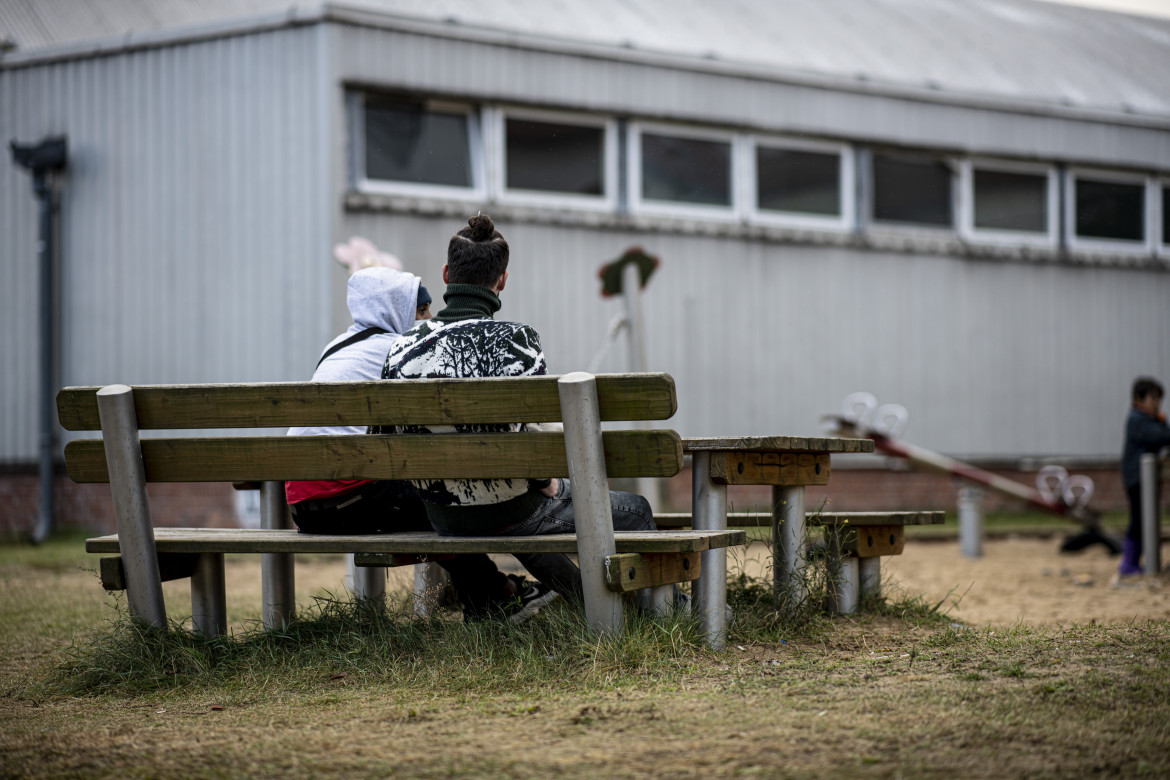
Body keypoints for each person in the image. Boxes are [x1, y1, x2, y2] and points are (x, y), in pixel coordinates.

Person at [374, 214, 656, 605]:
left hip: (440, 515)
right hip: (510, 509)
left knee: (528, 507)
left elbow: (383, 438)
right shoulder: (518, 340)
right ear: (502, 279)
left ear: (445, 274)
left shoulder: (403, 346)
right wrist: (546, 482)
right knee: (637, 511)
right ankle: (659, 610)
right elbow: (533, 448)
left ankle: (585, 601)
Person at [285, 266, 556, 621]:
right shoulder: (399, 351)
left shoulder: (340, 346)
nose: (430, 320)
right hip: (347, 501)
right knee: (452, 494)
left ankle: (487, 593)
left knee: (437, 489)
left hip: (304, 506)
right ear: (397, 312)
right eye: (423, 311)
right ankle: (497, 596)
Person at [1118, 376, 1170, 577]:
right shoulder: (1137, 419)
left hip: (1144, 478)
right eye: (1153, 399)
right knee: (1139, 520)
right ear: (1139, 399)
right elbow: (1162, 437)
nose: (1157, 404)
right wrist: (1163, 422)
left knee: (1144, 519)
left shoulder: (1147, 419)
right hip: (1137, 478)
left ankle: (1137, 562)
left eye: (1159, 400)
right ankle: (1129, 563)